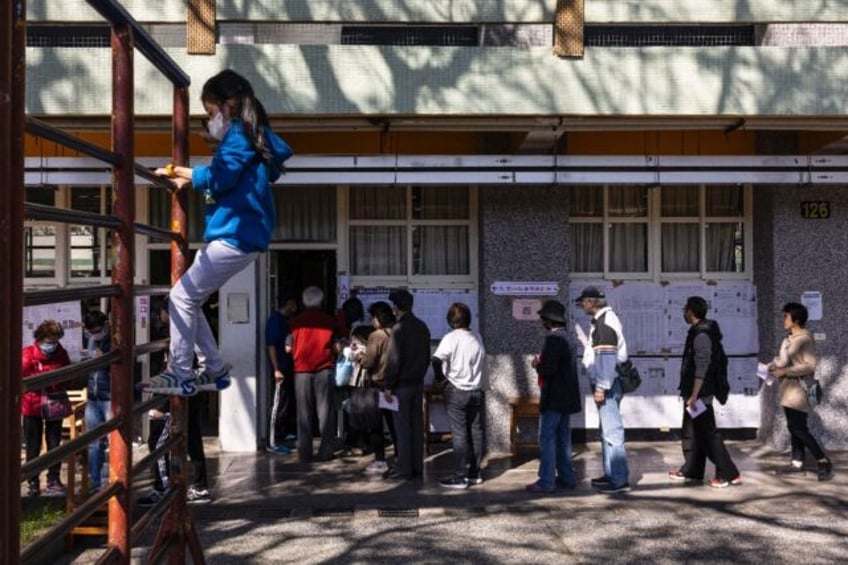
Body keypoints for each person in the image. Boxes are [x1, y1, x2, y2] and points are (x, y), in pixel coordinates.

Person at [145, 69, 293, 396]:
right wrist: (189, 177)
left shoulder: (239, 134)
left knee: (181, 297)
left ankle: (181, 371)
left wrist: (180, 171)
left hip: (235, 235)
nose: (211, 121)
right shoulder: (250, 137)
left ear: (229, 105)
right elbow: (223, 176)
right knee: (189, 299)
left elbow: (222, 176)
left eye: (211, 113)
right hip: (239, 236)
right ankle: (214, 368)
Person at [138, 301, 212, 505]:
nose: (158, 317)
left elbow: (175, 372)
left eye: (161, 312)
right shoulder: (192, 331)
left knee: (157, 442)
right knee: (192, 441)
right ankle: (200, 486)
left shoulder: (181, 337)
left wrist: (159, 405)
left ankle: (162, 486)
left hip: (175, 396)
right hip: (192, 393)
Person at [668, 296, 742, 488]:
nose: (683, 313)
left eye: (685, 309)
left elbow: (702, 366)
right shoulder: (699, 331)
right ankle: (693, 470)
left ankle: (729, 473)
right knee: (693, 433)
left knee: (709, 434)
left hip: (700, 395)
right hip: (696, 394)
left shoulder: (701, 334)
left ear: (690, 312)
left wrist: (693, 395)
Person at [767, 302, 833, 481]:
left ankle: (823, 460)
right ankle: (797, 462)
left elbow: (810, 366)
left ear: (795, 320)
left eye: (786, 316)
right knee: (793, 427)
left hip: (800, 390)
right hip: (787, 389)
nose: (784, 319)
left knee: (799, 428)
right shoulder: (787, 339)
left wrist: (786, 371)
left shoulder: (805, 339)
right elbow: (783, 362)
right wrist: (773, 366)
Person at [576, 286, 631, 494]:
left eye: (583, 302)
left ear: (591, 302)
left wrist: (601, 386)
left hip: (607, 384)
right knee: (607, 431)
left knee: (612, 432)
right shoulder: (603, 321)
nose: (582, 305)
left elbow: (607, 360)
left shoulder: (605, 323)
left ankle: (619, 479)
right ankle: (611, 474)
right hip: (608, 383)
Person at [526, 300, 582, 494]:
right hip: (567, 397)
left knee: (547, 437)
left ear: (549, 321)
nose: (542, 322)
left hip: (554, 397)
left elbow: (548, 368)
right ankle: (567, 477)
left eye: (543, 318)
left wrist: (536, 364)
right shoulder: (570, 337)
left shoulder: (554, 340)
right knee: (563, 438)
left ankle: (546, 480)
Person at [432, 302, 487, 490]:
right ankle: (475, 472)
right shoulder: (477, 337)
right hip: (476, 390)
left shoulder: (451, 338)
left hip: (456, 390)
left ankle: (459, 476)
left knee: (459, 434)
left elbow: (436, 359)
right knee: (476, 432)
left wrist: (441, 380)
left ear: (451, 320)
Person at [287, 286, 340, 464]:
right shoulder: (328, 320)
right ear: (321, 301)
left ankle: (305, 453)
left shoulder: (295, 322)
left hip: (301, 371)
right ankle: (326, 451)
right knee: (325, 412)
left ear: (304, 301)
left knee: (304, 413)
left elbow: (288, 347)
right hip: (324, 370)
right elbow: (335, 347)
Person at [382, 289, 431, 481]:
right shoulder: (422, 326)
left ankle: (404, 468)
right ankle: (417, 466)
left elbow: (393, 360)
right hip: (417, 384)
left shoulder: (398, 329)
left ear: (396, 308)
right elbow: (427, 357)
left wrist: (388, 384)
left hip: (401, 386)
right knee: (416, 426)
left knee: (402, 428)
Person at [21, 320, 72, 497]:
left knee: (54, 444)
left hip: (54, 403)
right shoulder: (27, 354)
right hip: (32, 405)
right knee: (32, 446)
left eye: (56, 341)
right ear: (41, 338)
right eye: (49, 341)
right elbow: (21, 378)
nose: (52, 345)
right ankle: (32, 482)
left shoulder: (61, 353)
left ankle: (53, 479)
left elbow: (68, 375)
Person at [356, 301, 397, 476]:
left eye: (372, 317)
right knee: (394, 424)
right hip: (392, 385)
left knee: (376, 425)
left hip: (378, 386)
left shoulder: (376, 336)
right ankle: (400, 456)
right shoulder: (396, 332)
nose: (371, 320)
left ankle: (380, 460)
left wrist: (359, 357)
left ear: (378, 318)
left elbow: (369, 361)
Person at [265, 285, 299, 455]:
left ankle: (283, 433)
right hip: (281, 370)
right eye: (294, 303)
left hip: (287, 367)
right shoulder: (275, 320)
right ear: (289, 303)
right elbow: (270, 345)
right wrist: (276, 369)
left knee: (285, 403)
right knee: (278, 404)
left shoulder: (285, 321)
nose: (296, 307)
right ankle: (273, 441)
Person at [83, 310, 111, 491]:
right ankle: (94, 482)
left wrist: (105, 359)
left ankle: (111, 479)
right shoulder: (91, 340)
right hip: (93, 397)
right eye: (90, 332)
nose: (94, 334)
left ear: (106, 324)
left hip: (110, 396)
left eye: (97, 330)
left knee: (114, 440)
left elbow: (124, 365)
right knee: (94, 442)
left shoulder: (116, 339)